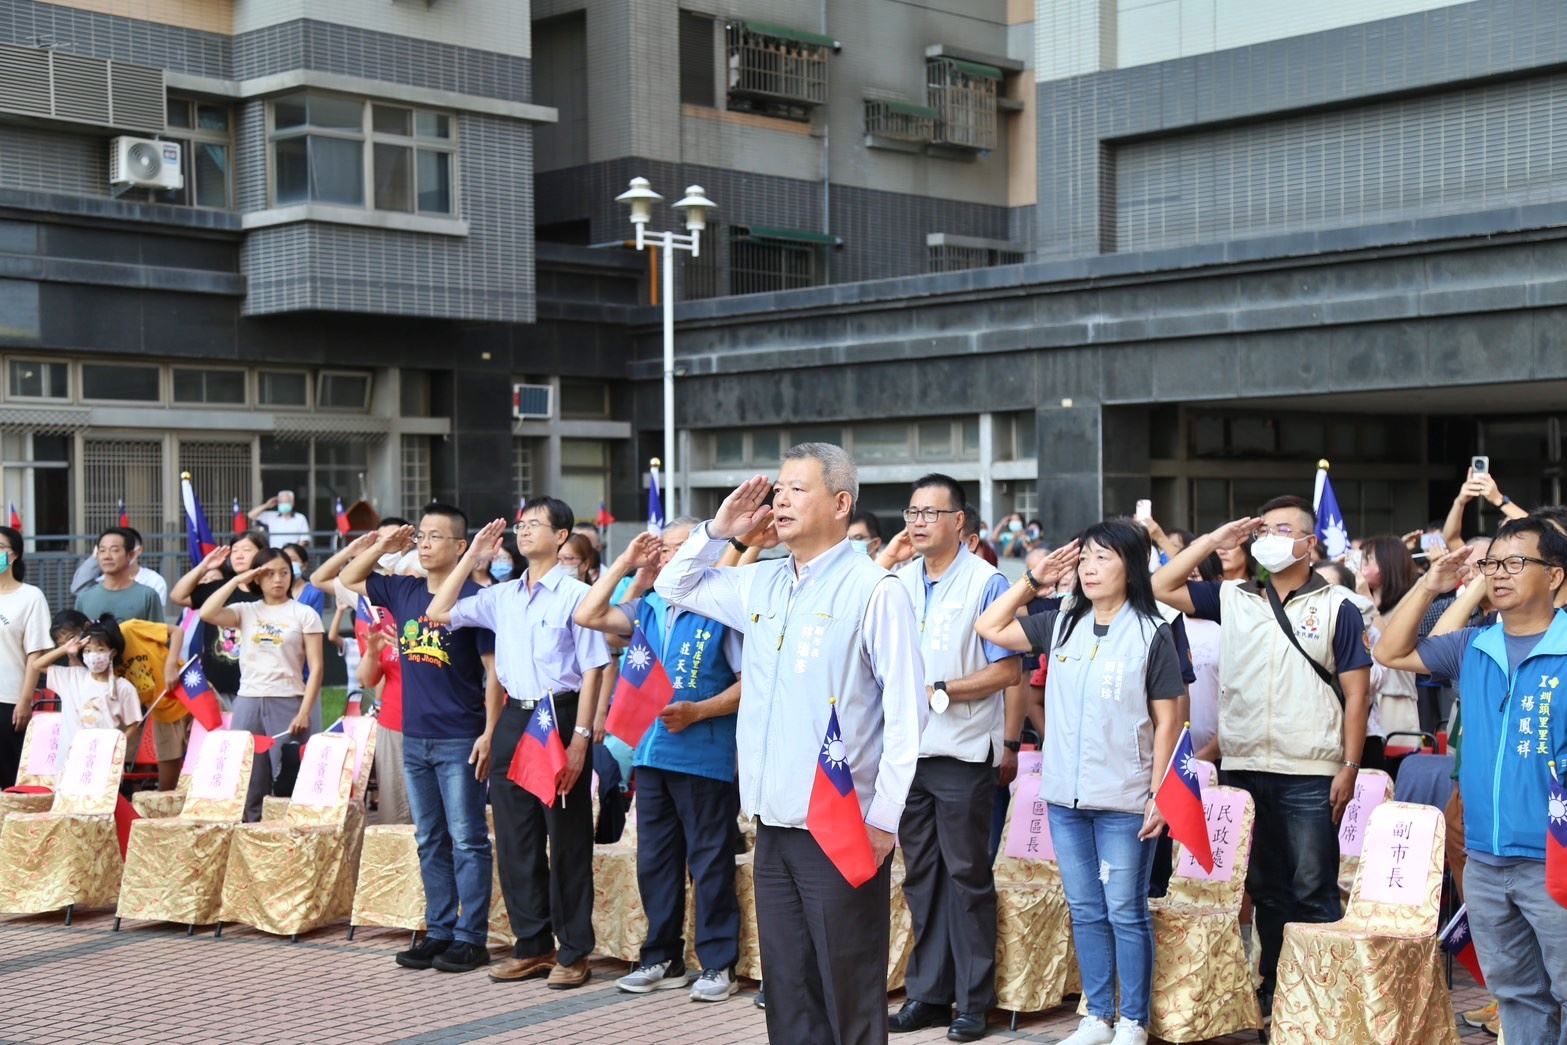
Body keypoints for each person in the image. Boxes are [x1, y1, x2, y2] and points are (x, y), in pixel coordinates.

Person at [654, 443, 926, 1045]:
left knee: (847, 987)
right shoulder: (762, 583)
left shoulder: (874, 591)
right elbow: (674, 584)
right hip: (773, 821)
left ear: (840, 502)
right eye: (776, 489)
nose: (779, 500)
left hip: (842, 824)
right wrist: (719, 528)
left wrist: (884, 820)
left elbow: (908, 716)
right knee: (788, 989)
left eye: (796, 489)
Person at [1151, 496, 1372, 1022]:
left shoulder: (1338, 606)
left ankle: (1322, 1004)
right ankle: (1276, 993)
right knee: (1266, 892)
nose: (1270, 536)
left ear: (1309, 543)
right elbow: (1161, 586)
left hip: (1310, 769)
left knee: (1314, 891)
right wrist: (1213, 539)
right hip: (1245, 766)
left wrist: (1349, 765)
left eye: (1283, 529)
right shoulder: (1232, 596)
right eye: (1264, 528)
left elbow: (1358, 695)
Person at [979, 520, 1184, 1045]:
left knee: (1124, 909)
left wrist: (1160, 793)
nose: (1090, 569)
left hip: (1124, 798)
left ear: (1130, 566)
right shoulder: (1063, 619)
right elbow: (990, 627)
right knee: (1085, 907)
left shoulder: (1156, 628)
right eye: (1085, 559)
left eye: (1104, 558)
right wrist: (1032, 580)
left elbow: (1169, 720)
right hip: (1065, 797)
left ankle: (1132, 1021)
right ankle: (1098, 1016)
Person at [1375, 521, 1567, 1045]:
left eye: (1514, 564)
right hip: (1485, 859)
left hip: (1556, 858)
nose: (1498, 575)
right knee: (1516, 992)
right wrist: (1430, 585)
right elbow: (1389, 652)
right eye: (1491, 564)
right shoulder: (1473, 645)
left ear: (1554, 576)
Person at [427, 497, 610, 990]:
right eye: (521, 525)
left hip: (561, 717)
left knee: (566, 840)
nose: (524, 532)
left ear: (562, 537)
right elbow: (437, 610)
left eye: (535, 525)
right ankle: (533, 946)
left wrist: (581, 739)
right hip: (514, 717)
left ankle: (574, 951)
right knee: (515, 838)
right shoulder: (501, 596)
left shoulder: (576, 595)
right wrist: (473, 556)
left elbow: (595, 667)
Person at [574, 518, 746, 1003]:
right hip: (649, 753)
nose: (667, 556)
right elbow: (589, 614)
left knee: (709, 861)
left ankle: (717, 963)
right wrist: (629, 564)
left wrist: (700, 711)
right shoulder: (648, 607)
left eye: (679, 548)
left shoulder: (722, 609)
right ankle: (662, 956)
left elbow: (751, 680)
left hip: (703, 755)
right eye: (663, 549)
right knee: (657, 860)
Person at [878, 475, 1020, 1041]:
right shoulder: (896, 582)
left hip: (960, 752)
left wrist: (941, 690)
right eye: (911, 512)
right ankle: (928, 994)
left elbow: (1008, 671)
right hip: (906, 754)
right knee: (921, 877)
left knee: (966, 876)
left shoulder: (987, 583)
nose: (917, 523)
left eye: (930, 513)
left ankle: (971, 1001)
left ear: (959, 521)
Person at [340, 505, 500, 974]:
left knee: (468, 838)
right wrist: (382, 547)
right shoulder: (403, 588)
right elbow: (349, 579)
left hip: (460, 737)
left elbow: (494, 677)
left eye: (436, 536)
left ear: (459, 546)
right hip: (415, 737)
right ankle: (440, 930)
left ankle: (472, 938)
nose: (425, 543)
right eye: (422, 536)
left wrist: (489, 734)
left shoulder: (475, 600)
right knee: (430, 838)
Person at [198, 547, 324, 821]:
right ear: (257, 578)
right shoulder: (245, 611)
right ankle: (251, 834)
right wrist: (237, 578)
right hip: (249, 701)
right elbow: (207, 612)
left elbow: (316, 668)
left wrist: (304, 711)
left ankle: (286, 837)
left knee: (288, 778)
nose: (277, 579)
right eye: (268, 574)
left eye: (284, 573)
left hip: (288, 699)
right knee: (248, 776)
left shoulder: (303, 614)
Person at [22, 614, 142, 772]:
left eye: (100, 649)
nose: (94, 655)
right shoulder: (72, 677)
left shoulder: (123, 687)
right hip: (69, 760)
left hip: (102, 762)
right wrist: (65, 649)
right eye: (88, 650)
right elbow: (37, 665)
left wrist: (116, 746)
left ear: (112, 653)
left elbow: (134, 724)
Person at [171, 534, 267, 711]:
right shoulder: (218, 588)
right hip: (215, 683)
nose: (239, 555)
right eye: (235, 550)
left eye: (246, 550)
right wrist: (204, 566)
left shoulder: (269, 591)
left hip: (255, 686)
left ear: (262, 554)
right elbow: (178, 596)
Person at [0, 526, 54, 786]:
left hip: (8, 700)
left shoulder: (30, 597)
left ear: (15, 555)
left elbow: (36, 653)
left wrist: (24, 700)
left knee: (9, 777)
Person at [74, 528, 163, 624]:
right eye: (102, 550)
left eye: (114, 550)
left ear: (130, 555)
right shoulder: (84, 599)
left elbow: (157, 636)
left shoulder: (148, 596)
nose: (107, 556)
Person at [281, 544, 327, 619]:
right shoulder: (275, 589)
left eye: (293, 560)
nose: (288, 563)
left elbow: (315, 623)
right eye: (284, 560)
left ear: (304, 565)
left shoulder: (314, 592)